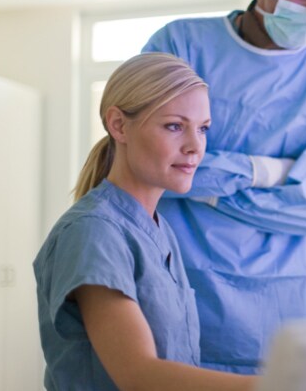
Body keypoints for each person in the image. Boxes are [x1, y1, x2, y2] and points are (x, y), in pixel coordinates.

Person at [142, 0, 306, 374]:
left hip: (283, 296)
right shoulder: (181, 44)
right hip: (183, 279)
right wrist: (267, 171)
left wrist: (203, 186)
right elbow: (150, 160)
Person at [33, 52, 256, 391]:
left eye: (203, 129)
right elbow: (139, 375)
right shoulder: (93, 232)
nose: (195, 146)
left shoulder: (158, 230)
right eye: (174, 126)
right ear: (119, 125)